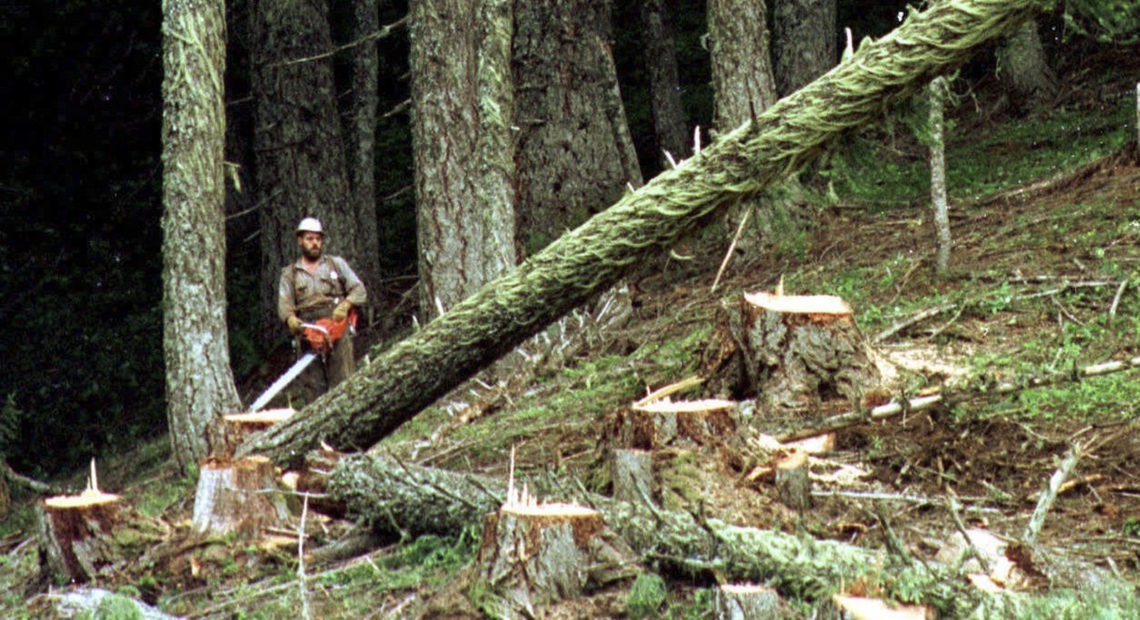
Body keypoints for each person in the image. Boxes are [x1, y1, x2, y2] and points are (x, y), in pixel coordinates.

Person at [278, 217, 367, 405]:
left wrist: (345, 305)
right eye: (310, 239)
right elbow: (284, 304)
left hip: (336, 326)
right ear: (300, 240)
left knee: (343, 383)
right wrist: (291, 320)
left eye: (318, 239)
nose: (315, 243)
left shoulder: (336, 264)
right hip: (308, 331)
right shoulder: (290, 274)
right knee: (312, 389)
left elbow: (359, 290)